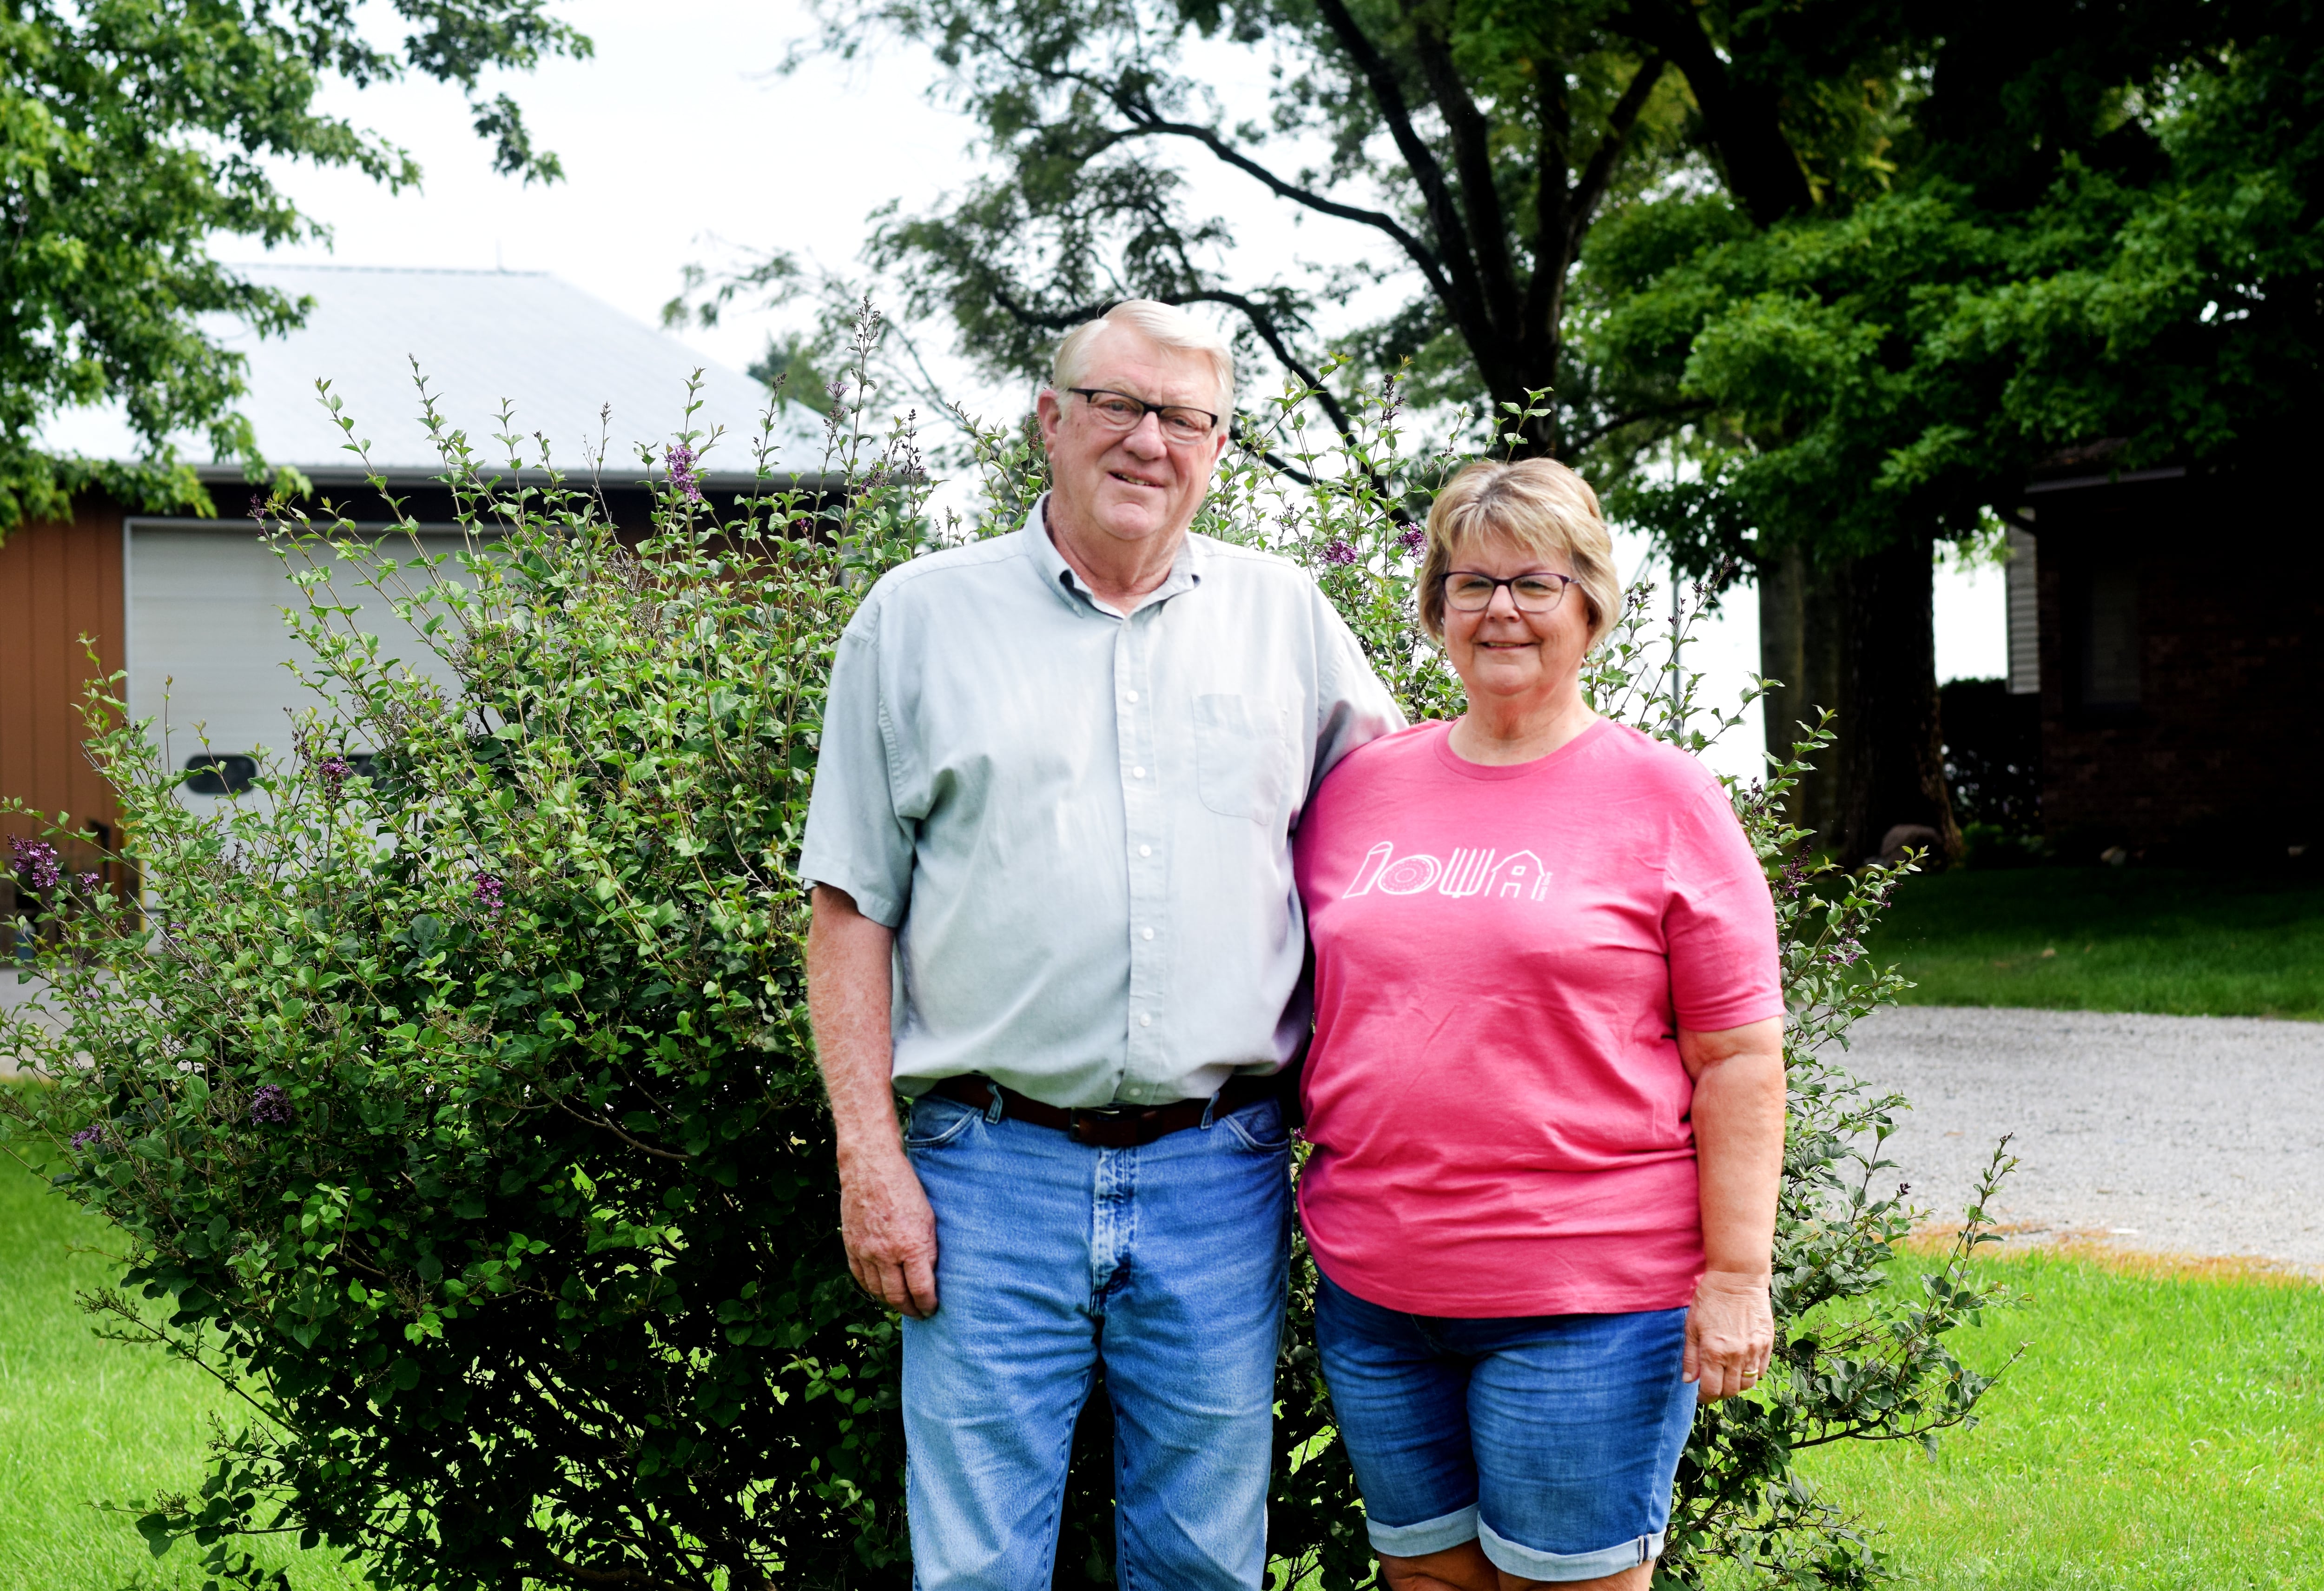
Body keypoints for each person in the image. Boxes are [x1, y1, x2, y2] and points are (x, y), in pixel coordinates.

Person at [800, 299, 1403, 1590]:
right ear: (1051, 419)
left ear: (1221, 447)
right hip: (982, 1171)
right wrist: (870, 1155)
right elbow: (852, 905)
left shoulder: (1287, 618)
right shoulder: (915, 618)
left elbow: (1406, 847)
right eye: (1120, 405)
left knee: (1201, 1563)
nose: (1149, 440)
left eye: (1185, 416)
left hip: (1219, 1170)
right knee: (976, 1572)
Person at [1290, 458, 1787, 1591]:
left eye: (1534, 582)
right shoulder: (1361, 790)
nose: (1500, 609)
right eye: (1470, 583)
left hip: (1586, 1299)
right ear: (1435, 610)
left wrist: (1735, 1273)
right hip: (1379, 1287)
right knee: (1426, 1581)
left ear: (1590, 605)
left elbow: (1739, 1057)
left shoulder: (1664, 798)